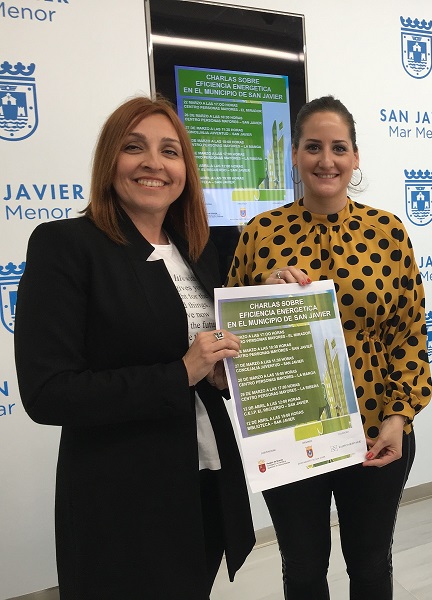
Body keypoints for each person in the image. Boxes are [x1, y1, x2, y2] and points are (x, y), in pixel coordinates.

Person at [14, 96, 255, 600]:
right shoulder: (66, 245)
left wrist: (221, 368)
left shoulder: (198, 251)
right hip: (122, 501)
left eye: (170, 151)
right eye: (133, 147)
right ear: (109, 160)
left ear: (185, 169)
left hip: (205, 481)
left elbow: (203, 361)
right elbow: (48, 393)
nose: (153, 163)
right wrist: (180, 373)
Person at [227, 95, 432, 599]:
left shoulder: (388, 232)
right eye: (313, 147)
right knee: (302, 568)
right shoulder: (260, 234)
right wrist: (263, 300)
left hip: (375, 428)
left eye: (339, 147)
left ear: (355, 157)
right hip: (289, 432)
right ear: (294, 155)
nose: (327, 160)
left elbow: (409, 332)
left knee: (370, 564)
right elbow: (228, 340)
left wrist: (399, 416)